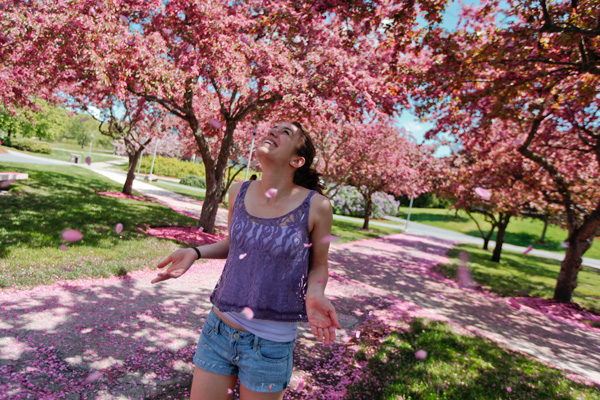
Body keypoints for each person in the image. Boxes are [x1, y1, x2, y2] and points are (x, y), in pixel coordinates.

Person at [151, 122, 341, 400]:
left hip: (270, 345)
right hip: (218, 329)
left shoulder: (317, 206)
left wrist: (314, 293)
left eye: (285, 132)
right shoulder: (238, 191)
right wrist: (195, 252)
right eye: (273, 128)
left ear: (297, 160)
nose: (272, 131)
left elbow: (318, 263)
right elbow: (236, 244)